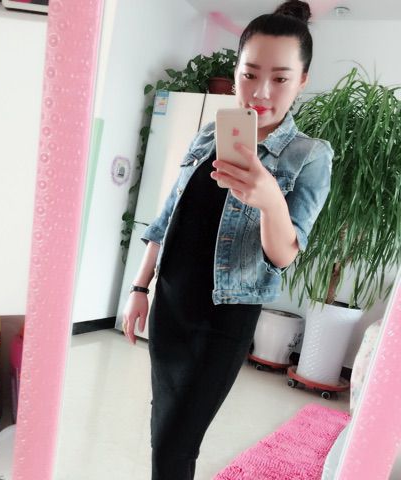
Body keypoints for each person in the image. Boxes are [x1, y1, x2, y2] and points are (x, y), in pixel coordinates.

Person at [122, 1, 334, 479]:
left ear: (302, 80)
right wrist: (139, 286)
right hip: (171, 302)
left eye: (280, 78)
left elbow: (284, 255)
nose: (261, 92)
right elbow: (168, 213)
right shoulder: (208, 135)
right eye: (249, 74)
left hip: (224, 317)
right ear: (235, 71)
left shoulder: (309, 155)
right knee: (163, 425)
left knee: (177, 443)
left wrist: (269, 199)